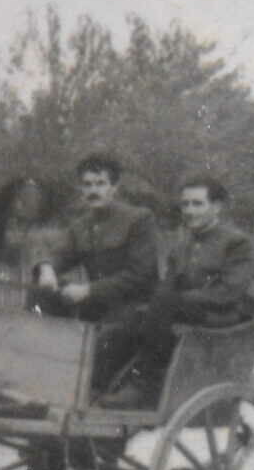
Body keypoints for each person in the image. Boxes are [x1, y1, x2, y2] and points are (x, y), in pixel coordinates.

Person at [98, 175, 254, 409]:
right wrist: (151, 306)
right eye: (185, 204)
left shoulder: (236, 242)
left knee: (163, 305)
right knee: (130, 316)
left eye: (197, 204)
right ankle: (103, 385)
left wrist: (176, 301)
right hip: (183, 311)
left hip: (223, 317)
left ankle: (144, 385)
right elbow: (167, 285)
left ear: (216, 207)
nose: (189, 211)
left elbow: (229, 292)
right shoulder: (182, 245)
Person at [32, 153, 160, 390]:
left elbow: (141, 275)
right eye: (88, 185)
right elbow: (59, 253)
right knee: (41, 296)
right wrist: (47, 269)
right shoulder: (81, 225)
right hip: (96, 309)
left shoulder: (139, 219)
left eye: (100, 184)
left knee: (102, 342)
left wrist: (89, 290)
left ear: (114, 187)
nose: (94, 191)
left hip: (134, 310)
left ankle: (86, 394)